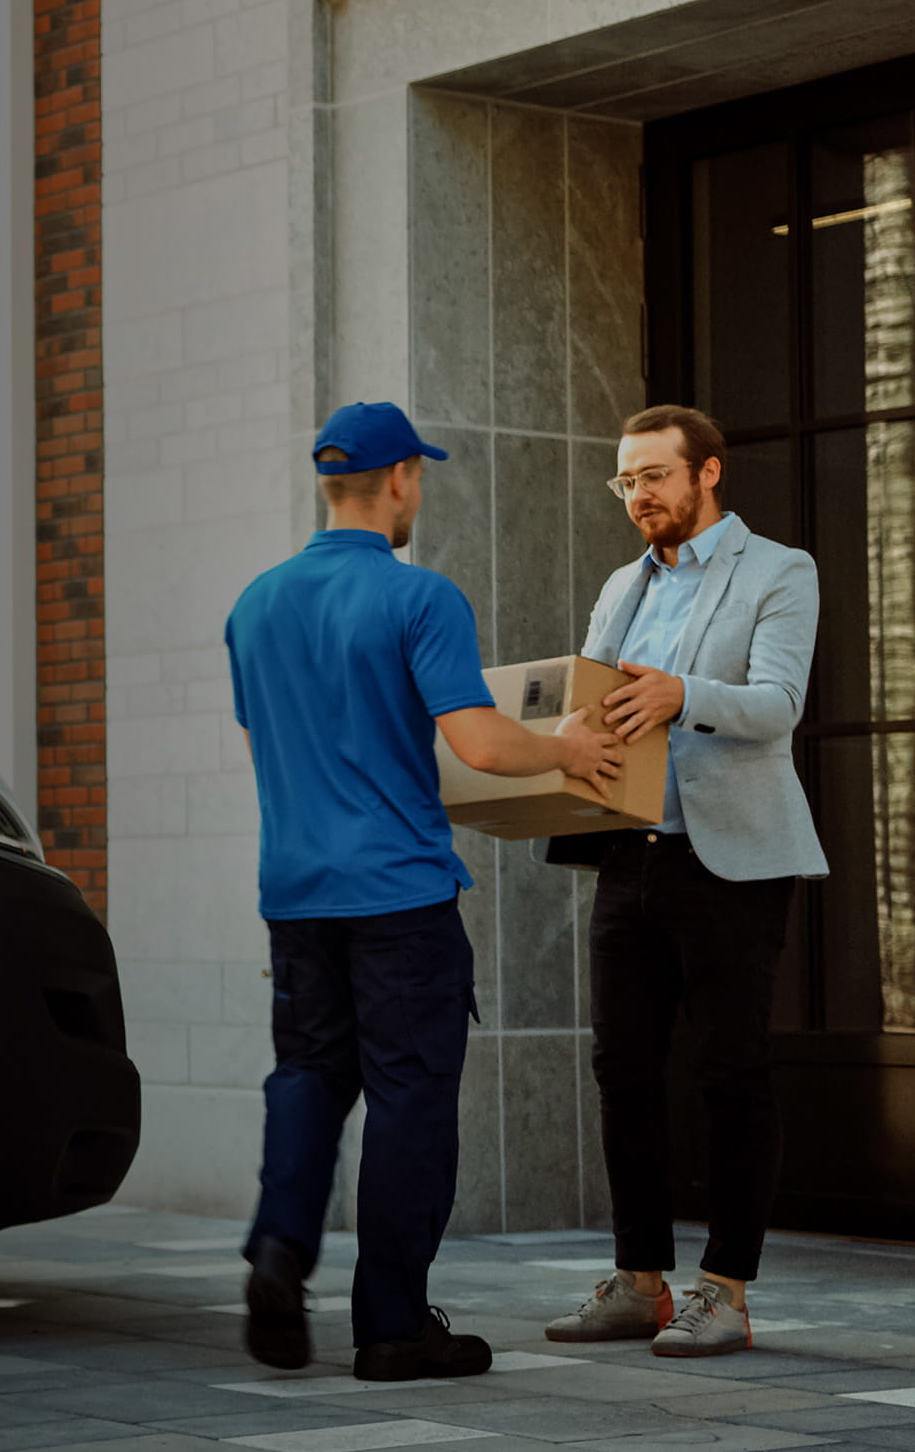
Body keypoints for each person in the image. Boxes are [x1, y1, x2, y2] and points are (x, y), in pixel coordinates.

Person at [228, 403, 621, 1381]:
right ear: (401, 477)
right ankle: (393, 1323)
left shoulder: (255, 603)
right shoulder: (419, 597)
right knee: (409, 1098)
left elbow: (289, 738)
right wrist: (567, 746)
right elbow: (481, 741)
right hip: (398, 894)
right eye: (420, 476)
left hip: (296, 893)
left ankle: (278, 1250)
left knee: (309, 1075)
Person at [543, 406, 823, 1359]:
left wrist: (681, 696)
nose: (640, 495)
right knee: (623, 1071)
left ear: (709, 472)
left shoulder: (779, 569)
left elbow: (781, 704)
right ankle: (641, 1281)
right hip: (631, 853)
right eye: (627, 481)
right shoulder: (623, 585)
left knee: (731, 1070)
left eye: (656, 475)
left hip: (732, 859)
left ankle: (727, 1291)